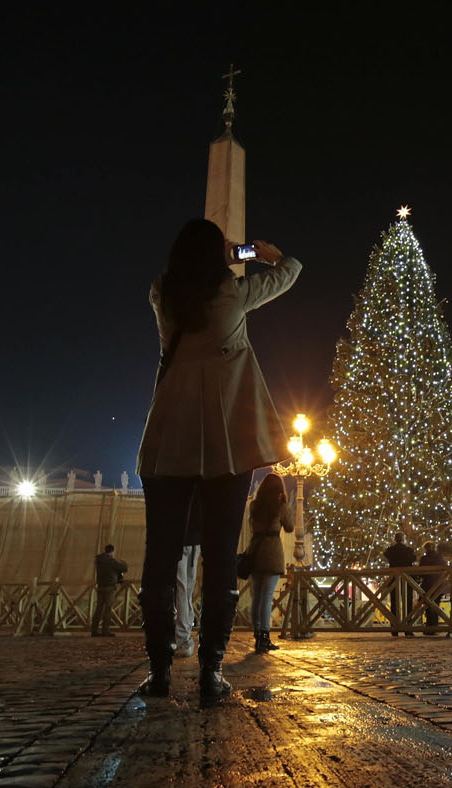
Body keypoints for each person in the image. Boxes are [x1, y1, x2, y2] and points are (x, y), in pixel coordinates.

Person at [134, 219, 301, 705]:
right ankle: (211, 672)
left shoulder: (162, 295)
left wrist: (215, 255)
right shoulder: (233, 294)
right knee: (222, 555)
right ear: (217, 257)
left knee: (161, 557)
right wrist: (255, 253)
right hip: (228, 438)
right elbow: (291, 271)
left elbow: (170, 288)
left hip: (170, 436)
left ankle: (160, 671)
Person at [245, 473, 294, 653]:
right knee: (266, 596)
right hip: (272, 551)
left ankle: (258, 634)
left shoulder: (255, 505)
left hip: (255, 550)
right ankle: (264, 636)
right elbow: (289, 526)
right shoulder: (279, 505)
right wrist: (285, 503)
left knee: (256, 596)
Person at [173, 500, 202, 657]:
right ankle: (186, 634)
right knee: (187, 590)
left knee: (181, 590)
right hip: (195, 542)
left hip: (179, 540)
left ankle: (182, 639)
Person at [384, 532, 418, 638]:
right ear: (403, 539)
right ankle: (408, 628)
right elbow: (413, 559)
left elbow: (386, 555)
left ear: (395, 539)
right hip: (406, 579)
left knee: (394, 604)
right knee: (407, 604)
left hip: (394, 579)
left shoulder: (390, 551)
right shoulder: (408, 551)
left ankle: (394, 628)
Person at [92, 544, 128, 638]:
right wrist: (121, 562)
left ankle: (94, 630)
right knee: (108, 609)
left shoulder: (98, 560)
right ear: (112, 551)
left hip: (100, 586)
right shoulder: (112, 561)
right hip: (110, 587)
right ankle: (105, 631)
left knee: (99, 609)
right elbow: (124, 568)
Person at [418, 540, 448, 634]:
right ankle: (435, 627)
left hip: (427, 585)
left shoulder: (424, 559)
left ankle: (429, 627)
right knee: (436, 606)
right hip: (438, 585)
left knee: (428, 606)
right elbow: (445, 570)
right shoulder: (440, 558)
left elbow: (421, 572)